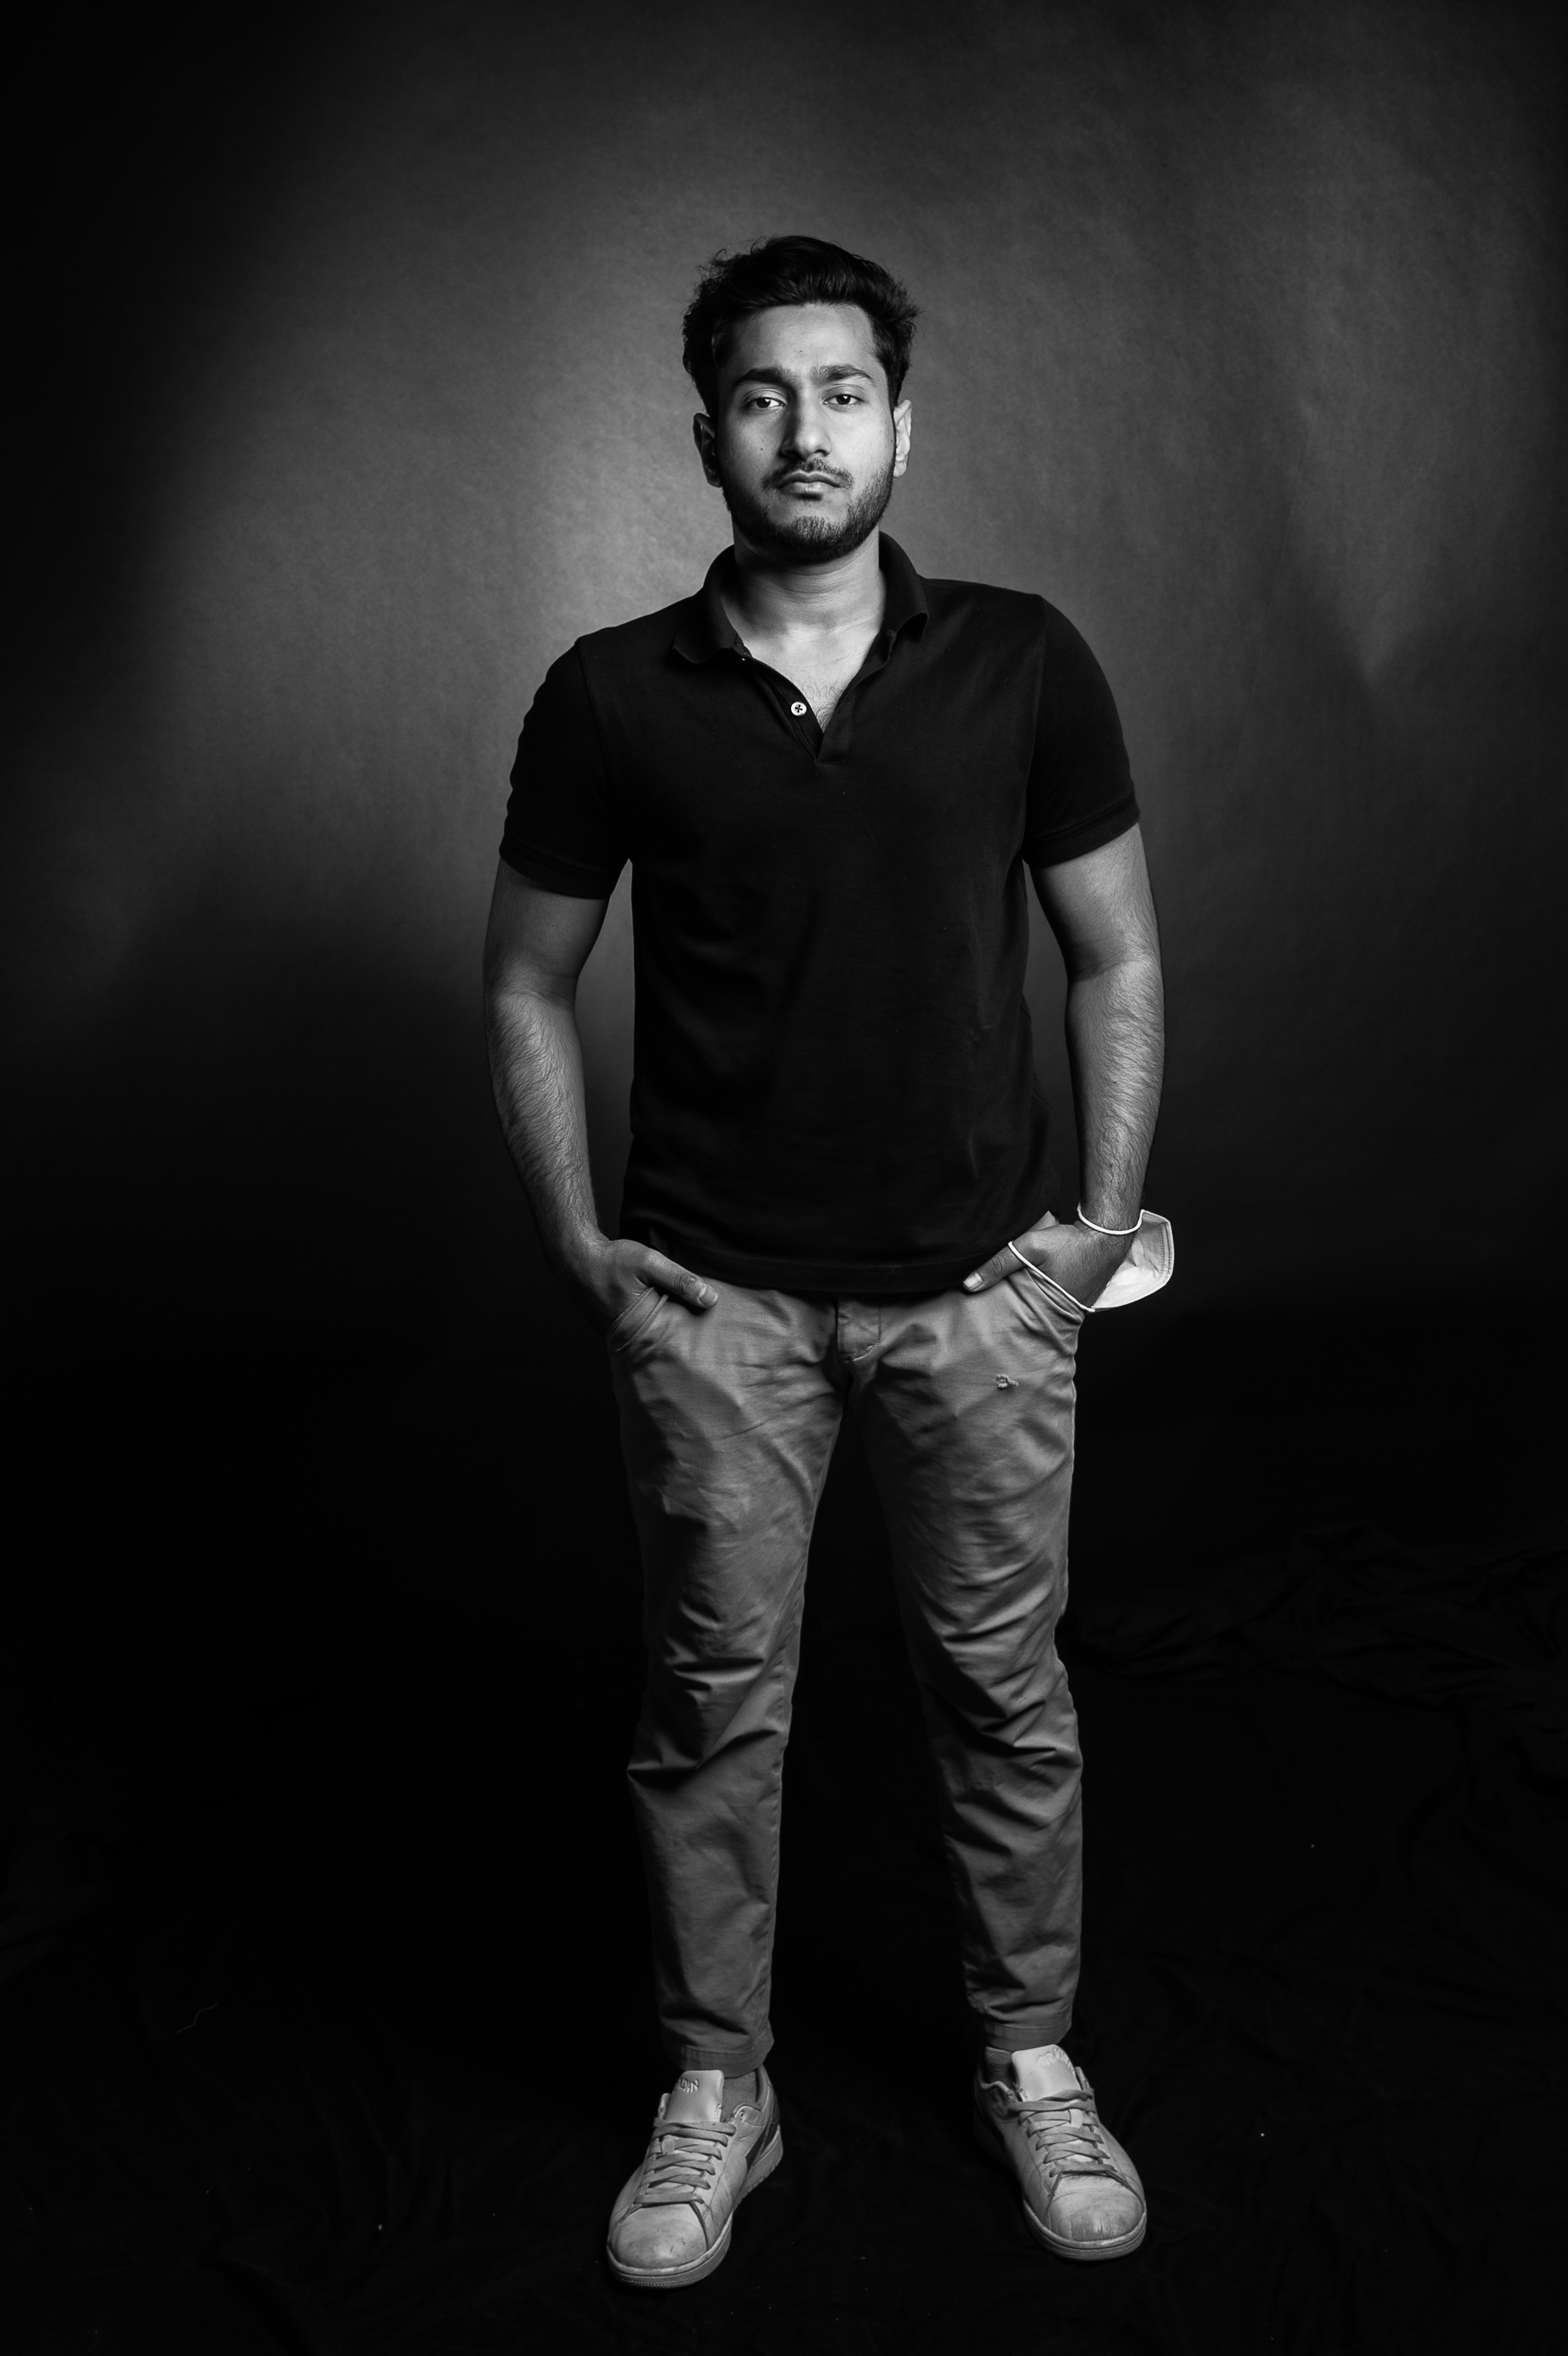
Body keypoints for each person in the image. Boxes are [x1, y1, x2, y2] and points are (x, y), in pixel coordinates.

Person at [482, 234, 1168, 2290]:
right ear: (706, 434)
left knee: (1005, 1697)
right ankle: (722, 2087)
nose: (807, 429)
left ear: (901, 424)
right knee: (712, 1712)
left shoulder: (1024, 662)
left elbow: (1117, 955)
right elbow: (524, 983)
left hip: (984, 1299)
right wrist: (581, 1243)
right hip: (717, 1312)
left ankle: (1029, 2055)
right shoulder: (611, 693)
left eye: (845, 389)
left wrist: (1093, 1231)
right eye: (764, 395)